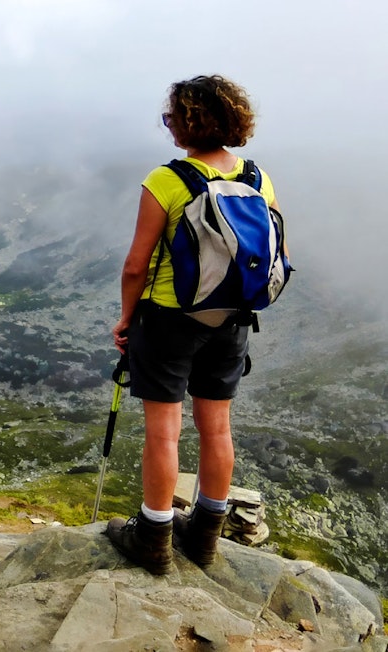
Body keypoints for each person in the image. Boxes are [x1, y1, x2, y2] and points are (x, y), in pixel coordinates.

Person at [106, 75, 282, 574]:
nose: (169, 126)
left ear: (186, 123)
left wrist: (126, 317)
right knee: (216, 428)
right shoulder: (258, 179)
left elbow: (135, 265)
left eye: (171, 118)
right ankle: (205, 536)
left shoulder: (167, 180)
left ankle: (154, 537)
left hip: (169, 319)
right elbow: (279, 256)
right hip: (232, 320)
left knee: (164, 433)